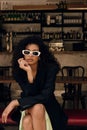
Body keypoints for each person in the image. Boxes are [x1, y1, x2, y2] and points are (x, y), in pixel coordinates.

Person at [1, 36, 68, 130]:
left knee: (28, 119)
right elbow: (29, 94)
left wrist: (15, 102)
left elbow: (46, 95)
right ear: (23, 54)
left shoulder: (50, 69)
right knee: (33, 112)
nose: (30, 55)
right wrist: (28, 72)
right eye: (27, 52)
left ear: (40, 56)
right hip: (29, 105)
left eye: (35, 53)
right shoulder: (20, 71)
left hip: (49, 107)